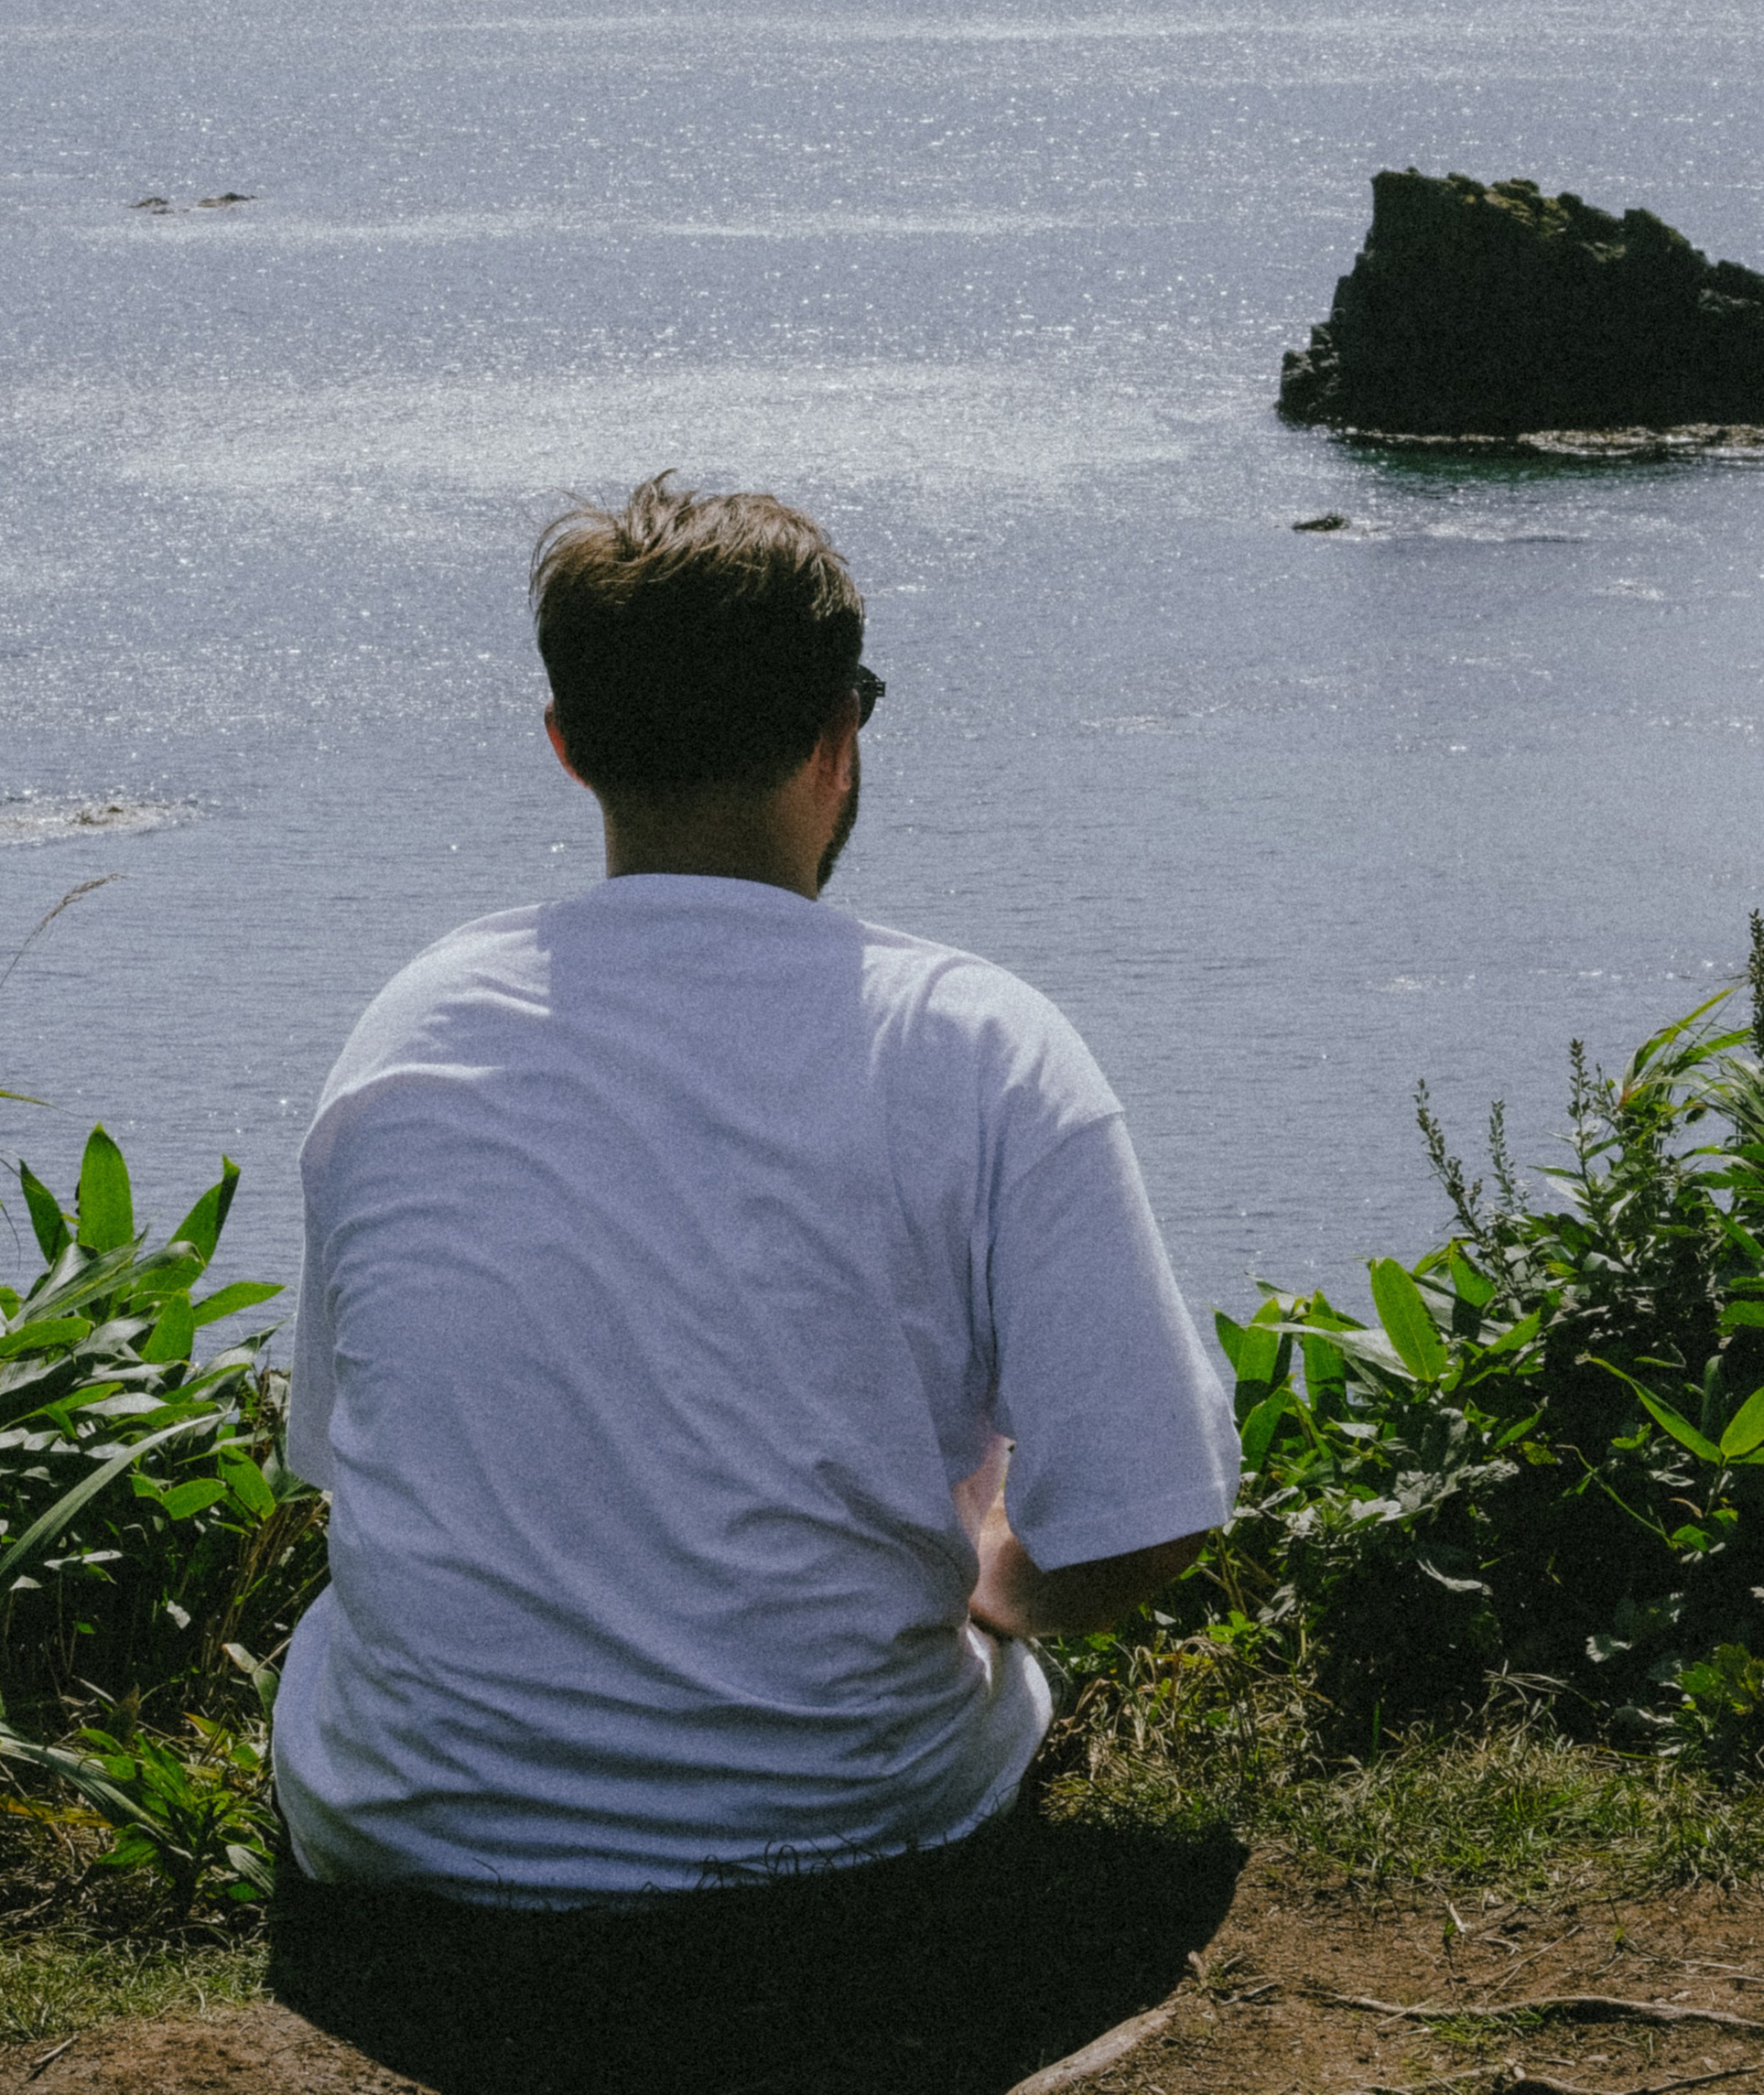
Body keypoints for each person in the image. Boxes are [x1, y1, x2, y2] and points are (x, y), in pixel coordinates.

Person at [271, 477, 1239, 1898]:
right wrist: (999, 1581)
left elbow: (340, 1457)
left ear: (567, 747)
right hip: (850, 1823)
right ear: (838, 740)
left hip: (411, 1831)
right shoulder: (974, 1043)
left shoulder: (412, 1026)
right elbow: (1153, 1510)